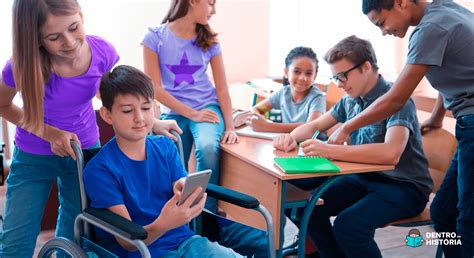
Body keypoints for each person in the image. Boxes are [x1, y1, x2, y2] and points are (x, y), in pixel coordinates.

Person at [0, 1, 178, 256]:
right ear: (36, 38)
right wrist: (50, 133)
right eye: (54, 37)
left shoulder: (102, 52)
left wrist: (152, 121)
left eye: (74, 27)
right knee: (16, 239)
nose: (70, 42)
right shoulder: (21, 64)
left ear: (81, 16)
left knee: (76, 230)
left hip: (84, 152)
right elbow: (3, 104)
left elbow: (116, 100)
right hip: (33, 156)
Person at [328, 1, 474, 257]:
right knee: (443, 211)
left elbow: (396, 98)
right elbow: (452, 70)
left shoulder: (429, 28)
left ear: (402, 2)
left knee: (468, 221)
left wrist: (347, 127)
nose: (383, 32)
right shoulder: (446, 11)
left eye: (381, 23)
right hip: (467, 124)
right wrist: (438, 116)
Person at [273, 35, 433, 258]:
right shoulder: (350, 99)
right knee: (306, 210)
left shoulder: (397, 100)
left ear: (366, 67)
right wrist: (290, 137)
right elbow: (316, 125)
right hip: (365, 178)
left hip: (404, 187)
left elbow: (391, 153)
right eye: (335, 77)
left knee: (349, 226)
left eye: (342, 76)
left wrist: (330, 150)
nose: (339, 84)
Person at [141, 1, 269, 257]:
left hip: (207, 107)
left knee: (209, 146)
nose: (213, 10)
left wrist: (230, 125)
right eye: (210, 3)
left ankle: (208, 212)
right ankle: (174, 218)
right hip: (175, 111)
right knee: (169, 160)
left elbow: (222, 88)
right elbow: (154, 87)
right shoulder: (155, 37)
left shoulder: (209, 40)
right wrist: (190, 113)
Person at [83, 65, 242, 258]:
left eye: (146, 108)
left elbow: (179, 185)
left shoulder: (165, 147)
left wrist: (186, 191)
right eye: (127, 111)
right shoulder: (100, 170)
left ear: (155, 108)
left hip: (186, 243)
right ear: (107, 115)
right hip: (140, 252)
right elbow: (128, 243)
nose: (139, 118)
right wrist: (165, 223)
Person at [248, 46, 326, 134]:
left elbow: (311, 127)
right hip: (287, 142)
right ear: (286, 72)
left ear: (315, 76)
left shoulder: (317, 98)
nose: (302, 78)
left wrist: (266, 126)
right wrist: (259, 119)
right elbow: (257, 109)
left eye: (309, 73)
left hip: (310, 144)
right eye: (297, 72)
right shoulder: (283, 93)